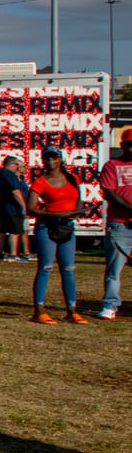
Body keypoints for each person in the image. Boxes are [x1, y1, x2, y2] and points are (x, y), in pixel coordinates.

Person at [27, 147, 86, 325]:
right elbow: (31, 208)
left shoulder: (72, 178)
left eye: (54, 157)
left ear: (61, 159)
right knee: (45, 267)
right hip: (48, 227)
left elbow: (78, 198)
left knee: (68, 269)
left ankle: (72, 310)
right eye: (47, 158)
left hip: (67, 227)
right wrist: (55, 215)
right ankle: (39, 309)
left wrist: (77, 211)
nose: (50, 161)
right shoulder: (40, 182)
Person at [99, 134, 132, 320]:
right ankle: (110, 305)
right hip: (120, 224)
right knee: (114, 269)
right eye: (130, 145)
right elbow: (110, 194)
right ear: (122, 145)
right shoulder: (112, 165)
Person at [0, 155, 30, 263]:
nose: (17, 167)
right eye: (17, 165)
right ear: (12, 164)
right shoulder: (9, 174)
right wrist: (24, 206)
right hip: (12, 207)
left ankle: (0, 253)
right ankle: (13, 254)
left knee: (2, 230)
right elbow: (15, 191)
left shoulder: (0, 173)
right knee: (15, 231)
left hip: (3, 205)